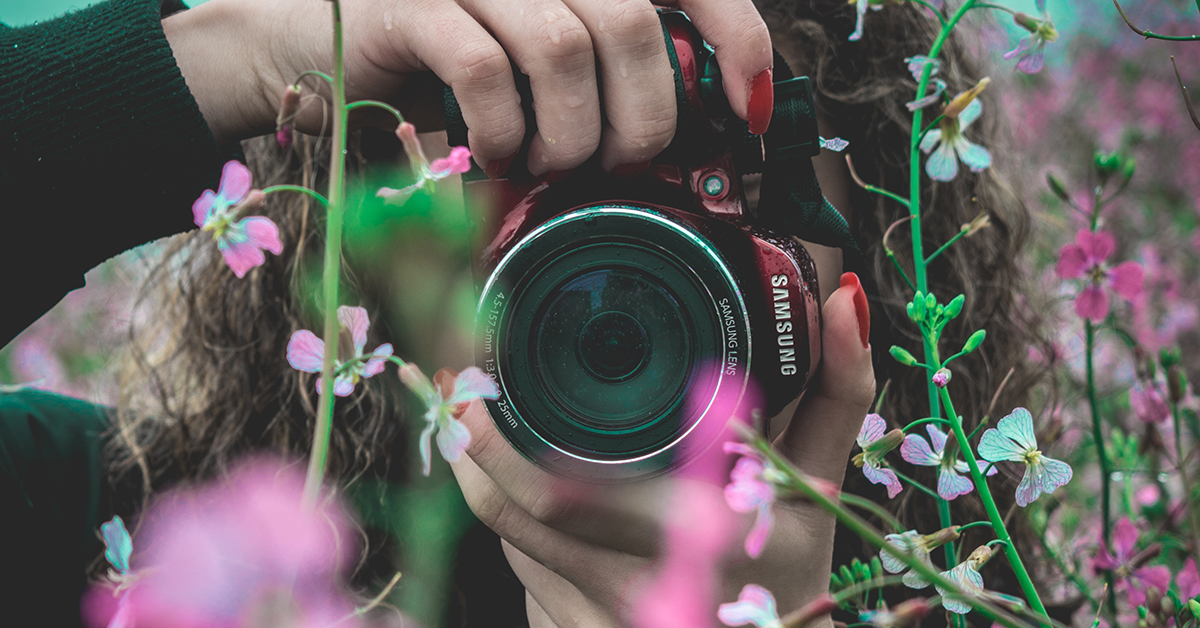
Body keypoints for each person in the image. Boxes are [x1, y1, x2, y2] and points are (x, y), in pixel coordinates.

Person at [1, 0, 1042, 626]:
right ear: (378, 211)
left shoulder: (969, 598)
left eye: (722, 179)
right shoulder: (129, 541)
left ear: (882, 229)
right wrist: (238, 56)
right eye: (545, 183)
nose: (625, 270)